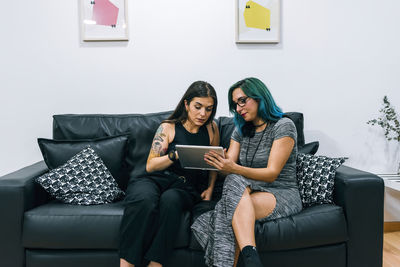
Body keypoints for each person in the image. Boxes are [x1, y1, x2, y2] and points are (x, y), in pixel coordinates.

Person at [191, 77, 302, 267]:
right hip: (246, 192)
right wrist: (219, 162)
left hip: (281, 192)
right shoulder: (240, 130)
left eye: (242, 101)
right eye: (235, 105)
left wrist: (233, 168)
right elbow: (229, 169)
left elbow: (272, 173)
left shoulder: (283, 125)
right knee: (233, 184)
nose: (239, 108)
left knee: (223, 210)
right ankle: (252, 258)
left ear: (260, 97)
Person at [119, 81, 220, 267]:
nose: (202, 114)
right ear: (187, 104)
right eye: (198, 107)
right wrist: (174, 155)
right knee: (143, 200)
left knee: (171, 201)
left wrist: (210, 188)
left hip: (185, 186)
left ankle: (155, 264)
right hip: (155, 179)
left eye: (208, 109)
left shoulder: (211, 128)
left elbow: (215, 162)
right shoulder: (168, 127)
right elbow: (150, 166)